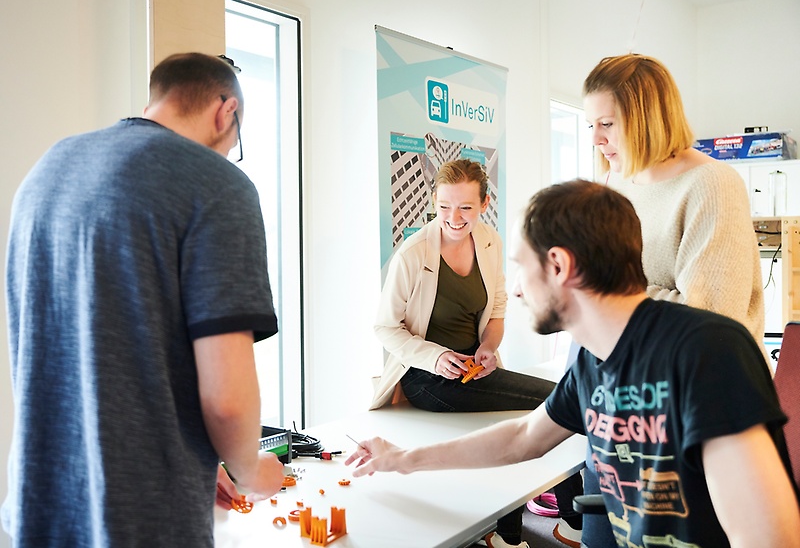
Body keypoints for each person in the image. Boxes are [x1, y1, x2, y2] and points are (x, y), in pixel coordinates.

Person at [347, 179, 800, 548]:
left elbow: (767, 537)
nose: (517, 290)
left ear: (559, 266)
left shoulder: (707, 350)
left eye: (522, 268)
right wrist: (402, 459)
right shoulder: (591, 359)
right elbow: (523, 438)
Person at [3, 52, 285, 547]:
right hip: (145, 517)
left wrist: (202, 454)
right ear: (227, 112)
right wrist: (249, 469)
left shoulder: (49, 170)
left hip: (36, 506)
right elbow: (226, 397)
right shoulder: (217, 185)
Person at [578, 52, 768, 547]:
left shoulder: (711, 185)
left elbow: (709, 323)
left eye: (606, 124)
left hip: (697, 412)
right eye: (590, 124)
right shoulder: (613, 184)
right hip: (623, 404)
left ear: (644, 118)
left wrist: (613, 296)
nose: (595, 139)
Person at [370, 159, 557, 548]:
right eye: (444, 207)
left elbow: (498, 309)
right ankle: (568, 520)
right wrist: (435, 356)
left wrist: (489, 347)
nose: (453, 218)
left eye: (465, 208)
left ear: (484, 203)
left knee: (519, 420)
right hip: (427, 376)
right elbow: (385, 327)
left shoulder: (489, 241)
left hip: (476, 368)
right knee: (553, 400)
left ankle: (506, 534)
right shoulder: (413, 254)